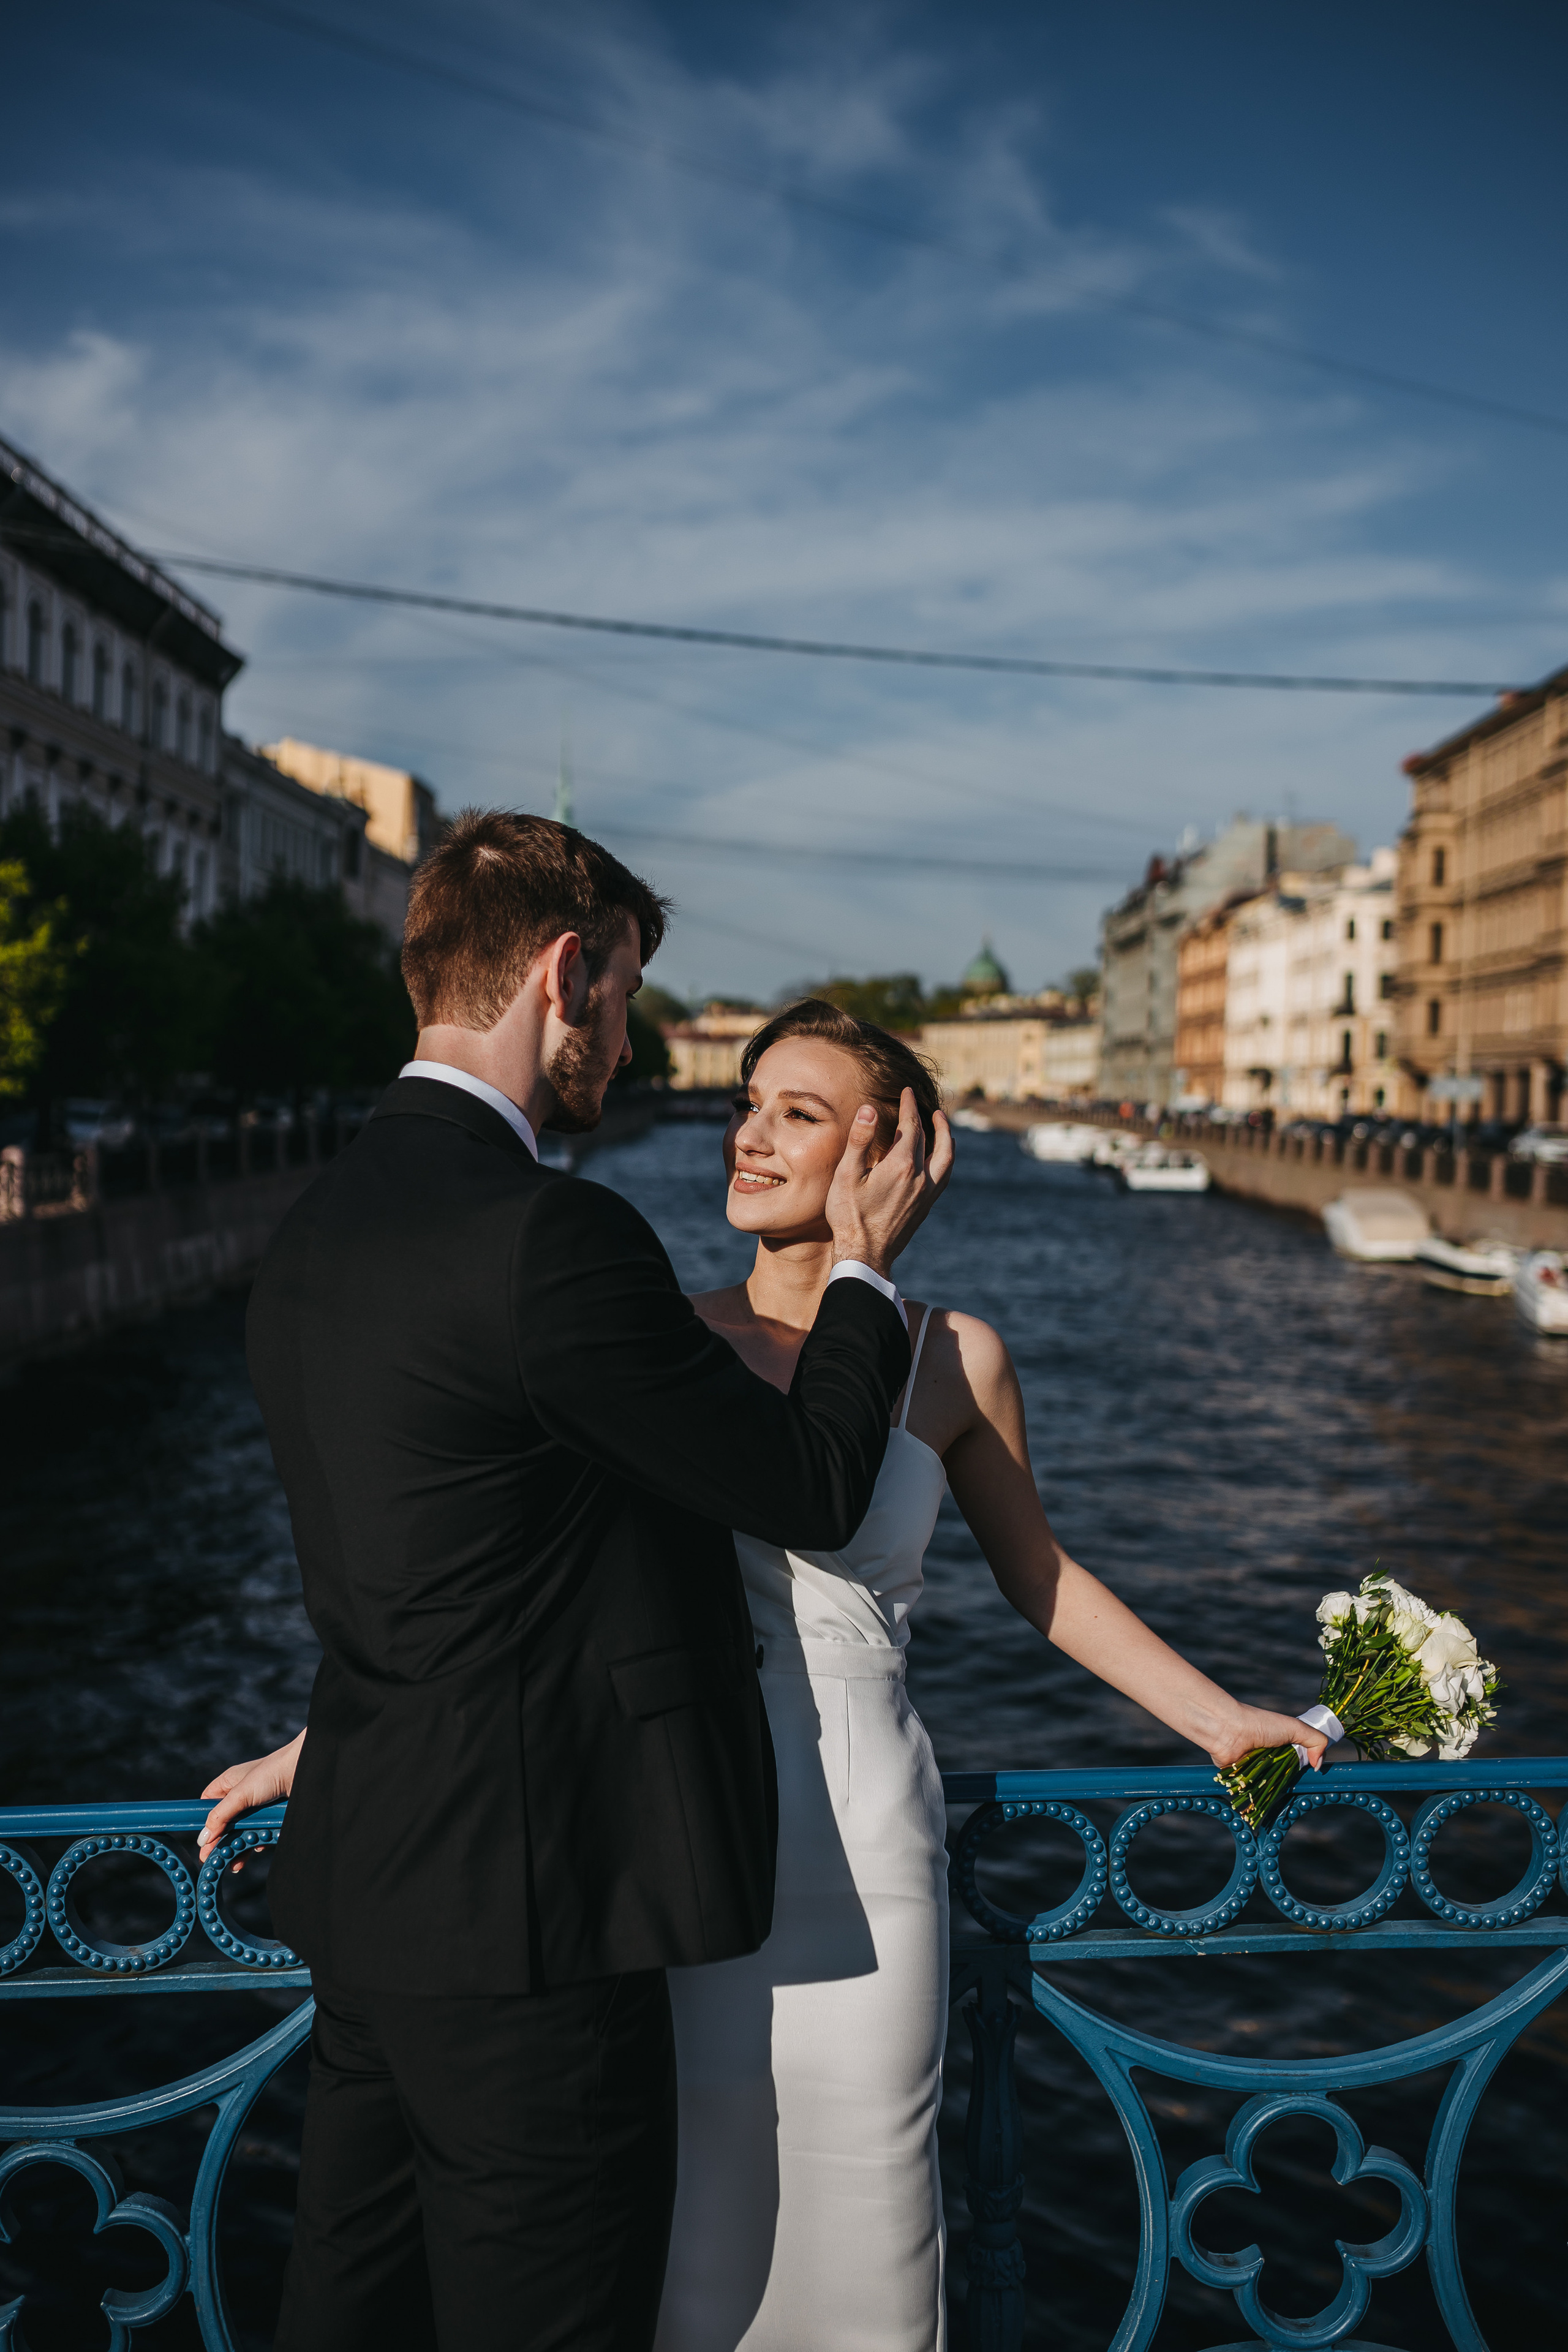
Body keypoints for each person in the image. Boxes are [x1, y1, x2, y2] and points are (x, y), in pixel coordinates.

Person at [197, 813, 952, 2352]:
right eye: (622, 995)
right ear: (567, 971)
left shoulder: (313, 1232)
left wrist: (319, 1741)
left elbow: (447, 1555)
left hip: (369, 1895)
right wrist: (866, 1273)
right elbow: (807, 1488)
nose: (630, 1034)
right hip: (533, 1931)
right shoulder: (550, 1239)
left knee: (347, 2318)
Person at [652, 999, 1328, 2352]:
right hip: (682, 1831)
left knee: (867, 2225)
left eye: (798, 1113)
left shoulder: (954, 1358)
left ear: (888, 1157)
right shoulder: (661, 1339)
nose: (747, 1136)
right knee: (692, 2229)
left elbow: (1043, 1580)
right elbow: (531, 1588)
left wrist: (1217, 1718)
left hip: (868, 1844)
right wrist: (337, 1741)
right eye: (747, 1102)